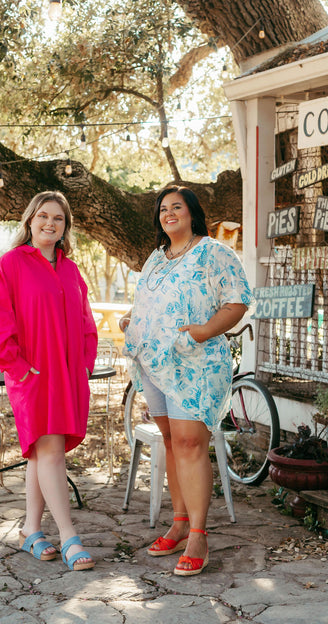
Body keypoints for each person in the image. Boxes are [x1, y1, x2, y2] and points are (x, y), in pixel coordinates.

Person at [120, 185, 253, 576]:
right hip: (156, 364)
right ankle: (178, 523)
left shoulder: (214, 252)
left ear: (192, 213)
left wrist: (202, 331)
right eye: (163, 209)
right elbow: (147, 302)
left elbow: (237, 300)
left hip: (198, 364)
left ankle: (198, 534)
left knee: (190, 442)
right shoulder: (156, 259)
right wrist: (133, 319)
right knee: (170, 442)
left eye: (177, 207)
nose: (169, 213)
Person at [0, 190, 98, 571]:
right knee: (49, 448)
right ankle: (68, 535)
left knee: (42, 450)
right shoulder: (10, 266)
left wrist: (84, 363)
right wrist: (17, 367)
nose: (50, 223)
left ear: (66, 228)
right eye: (43, 216)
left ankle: (30, 529)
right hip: (31, 374)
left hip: (67, 374)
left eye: (58, 219)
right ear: (29, 220)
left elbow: (84, 322)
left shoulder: (70, 269)